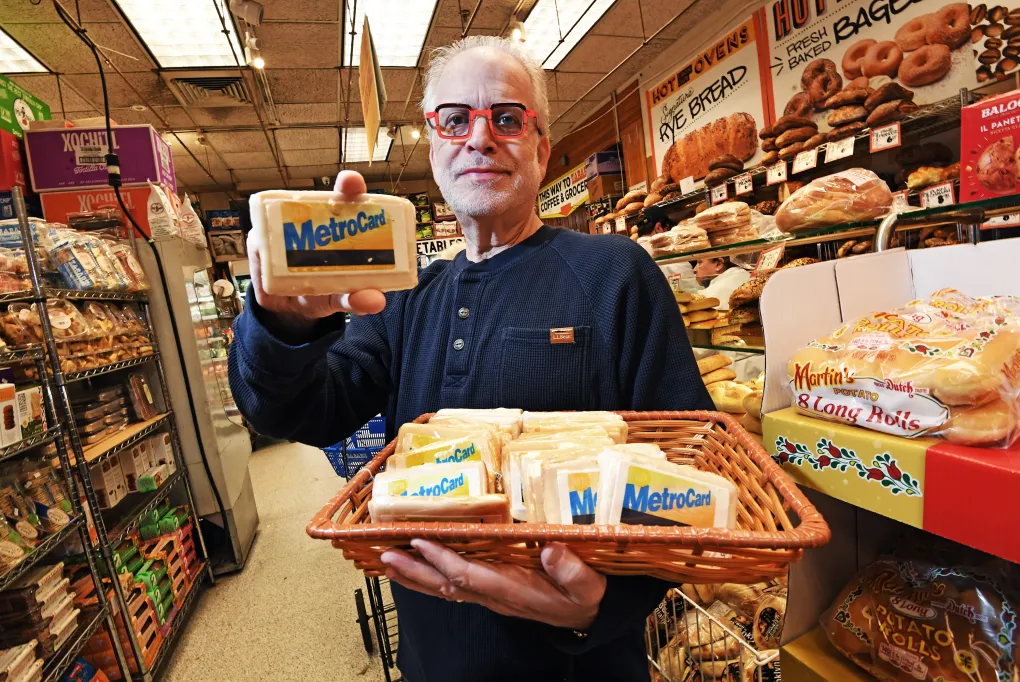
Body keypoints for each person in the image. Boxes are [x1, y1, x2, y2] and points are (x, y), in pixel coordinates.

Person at [229, 36, 712, 682]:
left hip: (584, 666)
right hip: (432, 662)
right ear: (434, 151)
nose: (480, 139)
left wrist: (600, 604)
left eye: (507, 118)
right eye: (455, 120)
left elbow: (692, 476)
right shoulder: (405, 300)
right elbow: (302, 411)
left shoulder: (616, 276)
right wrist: (283, 321)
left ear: (541, 149)